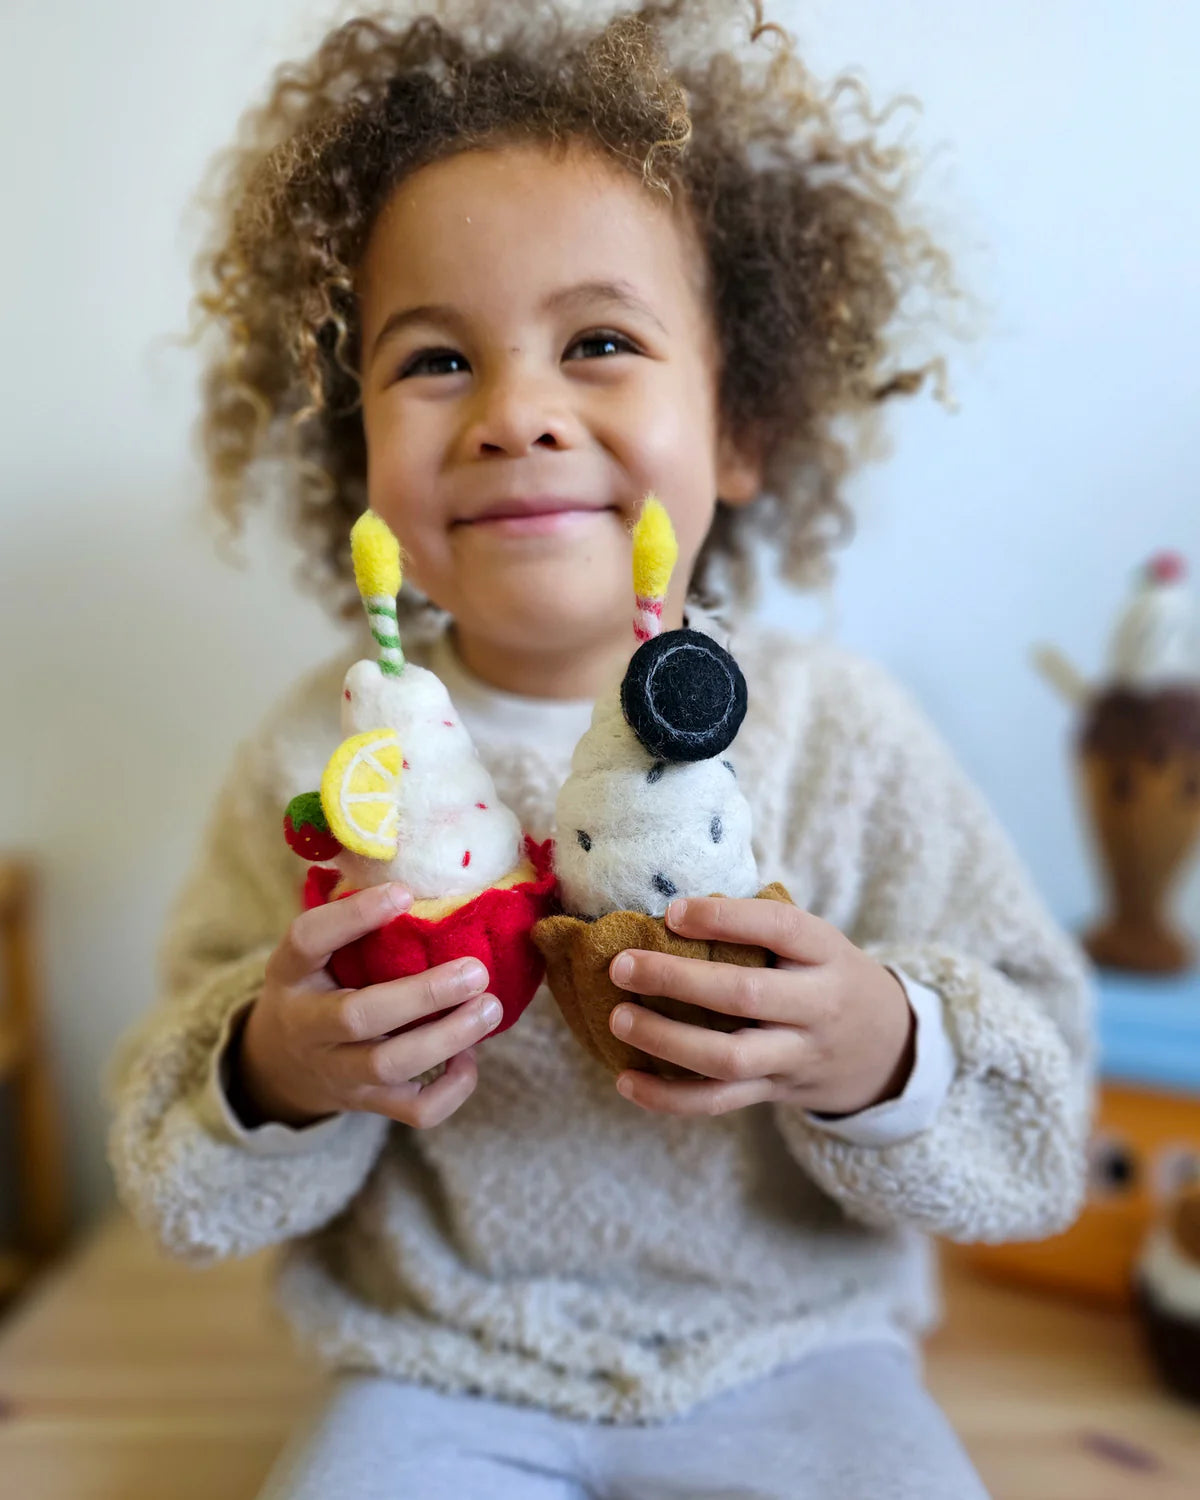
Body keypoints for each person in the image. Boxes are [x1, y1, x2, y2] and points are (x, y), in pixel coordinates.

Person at [105, 3, 1094, 1495]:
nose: (517, 415)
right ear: (350, 445)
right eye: (435, 360)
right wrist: (278, 1064)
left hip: (797, 1354)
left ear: (742, 424)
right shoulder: (324, 758)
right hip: (443, 1369)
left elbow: (1041, 1117)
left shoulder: (841, 734)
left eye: (602, 341)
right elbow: (173, 1166)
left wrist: (876, 1042)